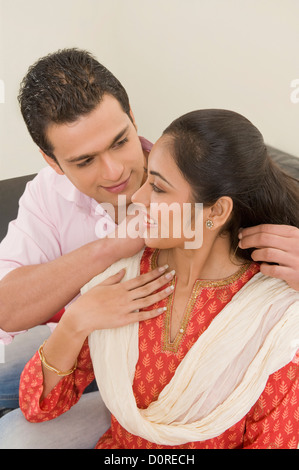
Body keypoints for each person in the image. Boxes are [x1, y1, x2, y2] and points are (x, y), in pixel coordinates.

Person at [0, 48, 298, 445]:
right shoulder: (117, 271)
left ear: (133, 121)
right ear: (53, 161)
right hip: (102, 383)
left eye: (120, 142)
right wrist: (83, 306)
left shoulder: (270, 315)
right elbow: (13, 327)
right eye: (85, 160)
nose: (117, 174)